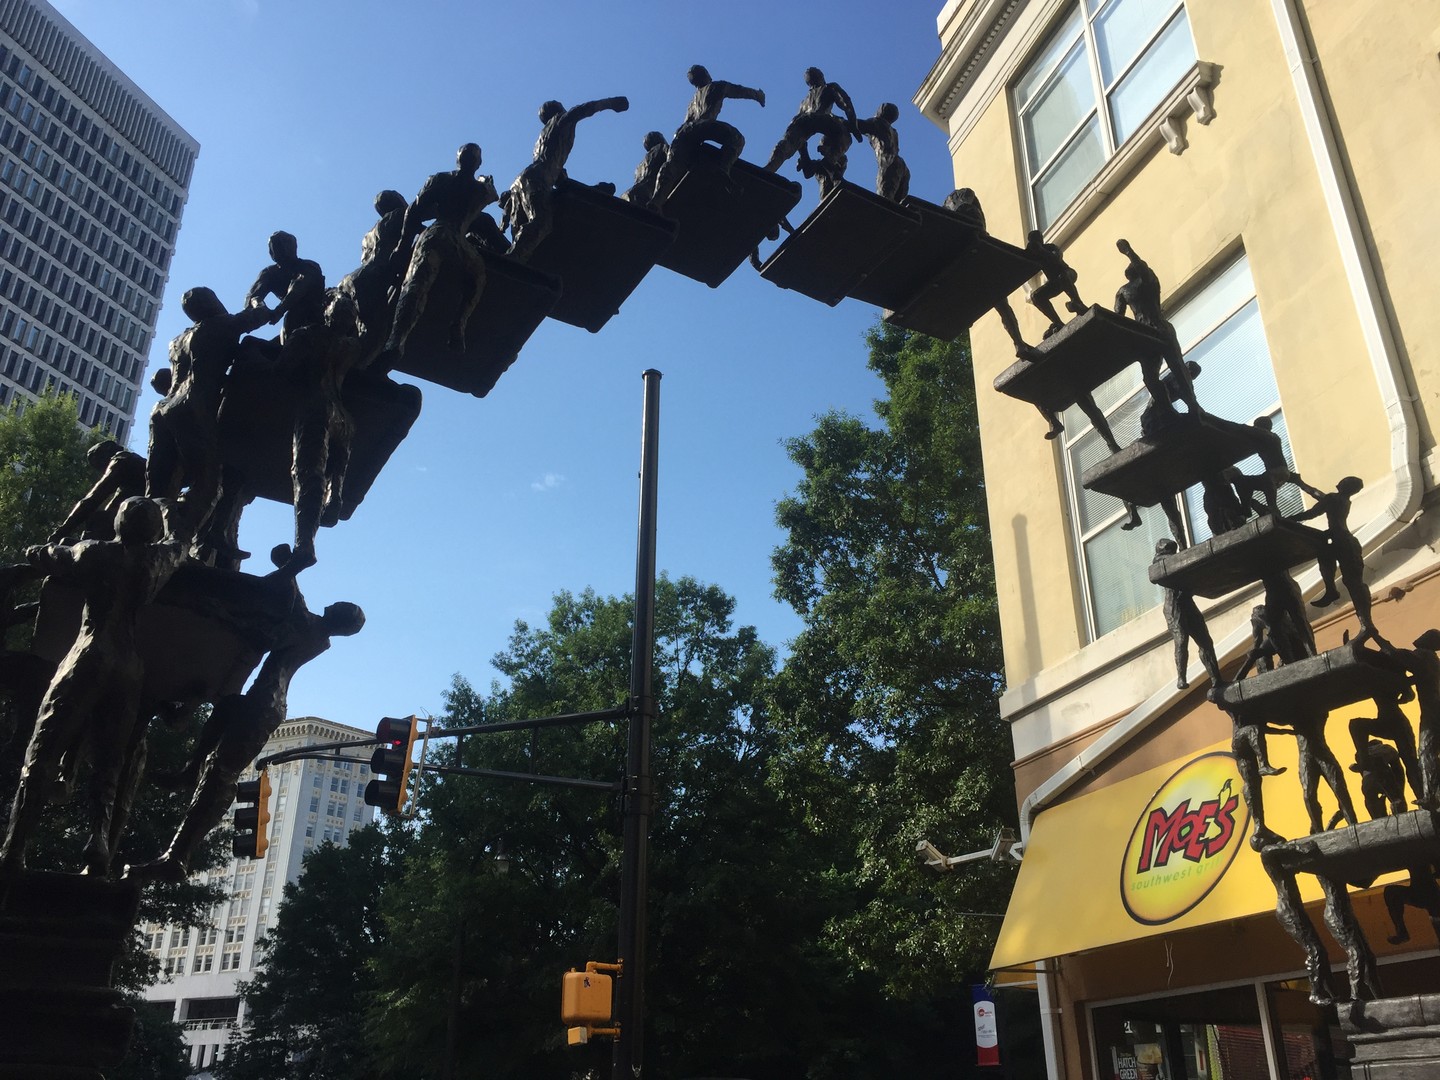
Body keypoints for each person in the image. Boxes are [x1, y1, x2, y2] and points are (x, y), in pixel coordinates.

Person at [131, 560, 364, 880]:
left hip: (263, 707)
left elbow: (292, 595)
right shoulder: (316, 634)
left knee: (221, 774)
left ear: (339, 616)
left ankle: (178, 854)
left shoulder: (310, 626)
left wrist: (293, 563)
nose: (336, 601)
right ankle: (189, 769)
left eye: (342, 605)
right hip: (262, 702)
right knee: (226, 706)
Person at [0, 497, 185, 876]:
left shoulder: (92, 552)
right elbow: (181, 543)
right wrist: (170, 514)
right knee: (109, 762)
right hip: (129, 666)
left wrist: (38, 548)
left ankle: (15, 849)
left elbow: (46, 555)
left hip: (89, 653)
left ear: (118, 523)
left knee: (42, 751)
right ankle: (98, 841)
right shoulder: (157, 561)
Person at [147, 287, 272, 544]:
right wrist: (257, 296)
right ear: (211, 303)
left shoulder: (177, 341)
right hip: (192, 406)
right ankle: (178, 541)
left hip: (162, 408)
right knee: (209, 483)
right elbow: (262, 314)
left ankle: (145, 534)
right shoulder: (221, 325)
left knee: (158, 487)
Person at [379, 143, 498, 365]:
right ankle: (459, 324)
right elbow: (492, 194)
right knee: (477, 276)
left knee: (416, 283)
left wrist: (404, 244)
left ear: (458, 160)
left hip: (436, 234)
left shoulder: (440, 180)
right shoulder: (482, 190)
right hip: (455, 239)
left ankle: (396, 340)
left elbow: (414, 212)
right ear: (478, 163)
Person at [504, 95, 629, 260]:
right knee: (542, 222)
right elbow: (583, 109)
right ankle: (513, 260)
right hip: (537, 179)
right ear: (558, 109)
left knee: (522, 231)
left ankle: (516, 258)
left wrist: (594, 190)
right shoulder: (561, 120)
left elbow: (560, 179)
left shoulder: (544, 139)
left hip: (522, 181)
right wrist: (611, 103)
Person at [649, 65, 765, 212]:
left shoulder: (692, 103)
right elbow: (739, 91)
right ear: (706, 75)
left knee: (672, 164)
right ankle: (723, 169)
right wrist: (758, 95)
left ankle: (656, 200)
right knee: (737, 139)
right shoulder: (717, 86)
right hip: (703, 125)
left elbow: (687, 124)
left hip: (683, 132)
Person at [1294, 476, 1390, 648]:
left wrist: (1289, 519)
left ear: (1345, 486)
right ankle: (1332, 591)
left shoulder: (1333, 499)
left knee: (1353, 583)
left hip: (1342, 542)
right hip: (1345, 541)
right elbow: (1319, 495)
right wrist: (1300, 484)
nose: (1338, 482)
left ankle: (1365, 622)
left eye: (1343, 481)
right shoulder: (1343, 501)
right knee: (1330, 560)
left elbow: (1312, 512)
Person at [1114, 238, 1200, 423]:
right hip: (1152, 333)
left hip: (1152, 332)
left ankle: (1191, 406)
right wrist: (1128, 252)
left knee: (1174, 369)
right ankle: (1171, 410)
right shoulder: (1131, 287)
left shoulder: (1144, 282)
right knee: (1158, 375)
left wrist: (1129, 251)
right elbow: (1118, 318)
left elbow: (1117, 319)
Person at [1154, 537, 1223, 691]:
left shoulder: (1178, 560)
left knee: (1205, 641)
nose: (1173, 552)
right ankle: (1181, 678)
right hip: (1173, 606)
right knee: (1181, 639)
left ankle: (1216, 679)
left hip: (1186, 603)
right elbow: (1162, 566)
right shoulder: (1160, 561)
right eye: (1170, 550)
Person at [763, 67, 858, 175]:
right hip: (819, 118)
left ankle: (770, 167)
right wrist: (853, 124)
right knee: (845, 136)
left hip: (801, 120)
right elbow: (846, 103)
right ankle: (828, 162)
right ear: (822, 76)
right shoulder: (829, 87)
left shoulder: (804, 102)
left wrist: (802, 153)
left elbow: (797, 125)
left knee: (788, 143)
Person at [244, 231, 325, 343]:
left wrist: (278, 311)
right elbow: (253, 296)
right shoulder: (270, 273)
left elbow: (297, 288)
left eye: (284, 244)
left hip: (315, 317)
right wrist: (259, 306)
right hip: (290, 322)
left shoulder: (308, 266)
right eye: (275, 246)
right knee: (250, 344)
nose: (281, 249)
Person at [855, 102, 909, 202]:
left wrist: (838, 120)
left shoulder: (877, 122)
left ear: (881, 111)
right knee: (898, 204)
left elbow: (856, 125)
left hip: (888, 162)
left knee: (884, 201)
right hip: (902, 166)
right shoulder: (894, 132)